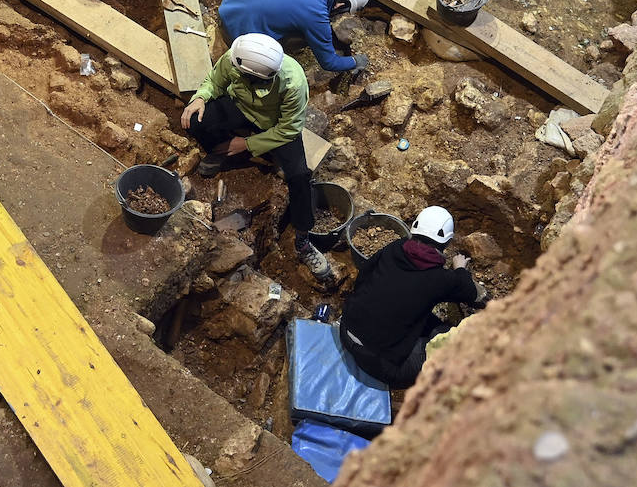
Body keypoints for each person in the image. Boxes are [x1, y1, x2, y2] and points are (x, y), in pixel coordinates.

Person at [181, 33, 333, 284]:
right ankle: (223, 154)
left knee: (300, 176)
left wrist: (247, 144)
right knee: (196, 120)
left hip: (274, 126)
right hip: (241, 108)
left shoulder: (292, 83)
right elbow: (214, 82)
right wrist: (200, 97)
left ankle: (303, 240)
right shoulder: (236, 58)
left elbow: (289, 130)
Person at [338, 205, 487, 388]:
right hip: (378, 363)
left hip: (346, 330)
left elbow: (363, 278)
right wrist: (460, 269)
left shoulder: (394, 248)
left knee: (418, 314)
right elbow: (471, 293)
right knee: (449, 344)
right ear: (446, 243)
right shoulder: (440, 279)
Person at [218, 0, 373, 75]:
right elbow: (329, 62)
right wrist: (355, 61)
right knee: (304, 38)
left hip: (230, 1)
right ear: (340, 5)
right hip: (234, 35)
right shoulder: (317, 17)